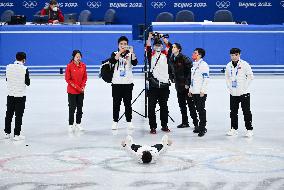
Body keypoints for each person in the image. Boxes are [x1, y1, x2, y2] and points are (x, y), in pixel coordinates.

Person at [109, 36, 138, 130]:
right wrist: (120, 52)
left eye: (125, 44)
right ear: (118, 45)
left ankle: (129, 122)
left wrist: (132, 52)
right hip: (116, 83)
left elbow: (135, 63)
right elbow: (112, 61)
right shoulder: (114, 53)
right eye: (121, 44)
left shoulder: (130, 54)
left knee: (128, 104)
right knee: (116, 103)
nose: (123, 45)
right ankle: (115, 121)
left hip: (128, 83)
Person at [168, 42, 199, 129]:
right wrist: (171, 78)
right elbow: (169, 69)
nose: (172, 48)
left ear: (178, 49)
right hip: (178, 86)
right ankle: (185, 122)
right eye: (172, 47)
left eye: (174, 47)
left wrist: (187, 83)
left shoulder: (184, 58)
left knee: (191, 105)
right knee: (182, 105)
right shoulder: (171, 58)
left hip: (186, 86)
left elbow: (190, 71)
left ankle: (196, 124)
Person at [225, 48, 254, 137]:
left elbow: (250, 77)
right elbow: (227, 78)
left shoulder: (245, 64)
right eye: (232, 55)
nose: (234, 57)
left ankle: (249, 129)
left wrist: (244, 88)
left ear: (239, 55)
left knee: (246, 111)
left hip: (244, 93)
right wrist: (229, 88)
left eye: (235, 55)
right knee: (233, 112)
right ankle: (234, 128)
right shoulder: (228, 65)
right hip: (233, 93)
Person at [146, 33, 171, 134]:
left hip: (164, 85)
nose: (157, 47)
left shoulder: (166, 54)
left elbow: (170, 46)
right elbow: (147, 46)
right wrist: (149, 37)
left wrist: (163, 38)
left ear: (161, 46)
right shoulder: (150, 55)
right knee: (151, 107)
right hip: (153, 85)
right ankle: (153, 127)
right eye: (155, 45)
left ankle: (164, 125)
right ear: (153, 46)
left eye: (159, 45)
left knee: (164, 106)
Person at [4, 52, 30, 141]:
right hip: (20, 95)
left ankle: (7, 133)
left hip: (10, 94)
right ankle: (16, 135)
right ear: (24, 59)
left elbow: (7, 79)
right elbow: (28, 83)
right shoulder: (24, 68)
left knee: (9, 114)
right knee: (18, 115)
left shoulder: (8, 67)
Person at [188, 48, 209, 137]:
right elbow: (192, 80)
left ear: (199, 55)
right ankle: (199, 126)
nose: (193, 54)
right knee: (197, 110)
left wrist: (203, 90)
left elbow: (206, 78)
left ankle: (202, 128)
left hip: (200, 92)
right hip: (194, 92)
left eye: (195, 53)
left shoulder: (203, 65)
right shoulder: (194, 65)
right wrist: (190, 90)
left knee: (201, 110)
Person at [65, 50, 87, 132]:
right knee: (72, 108)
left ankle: (78, 123)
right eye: (77, 57)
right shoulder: (69, 66)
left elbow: (85, 77)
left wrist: (83, 86)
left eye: (79, 56)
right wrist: (78, 88)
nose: (78, 58)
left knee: (80, 108)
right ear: (73, 57)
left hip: (81, 91)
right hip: (72, 91)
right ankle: (71, 124)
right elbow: (68, 79)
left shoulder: (83, 66)